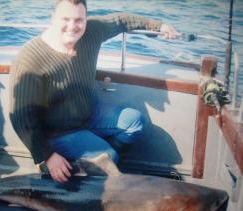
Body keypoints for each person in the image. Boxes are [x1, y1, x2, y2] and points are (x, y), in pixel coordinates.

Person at [9, 0, 177, 183]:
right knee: (111, 156)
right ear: (53, 19)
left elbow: (121, 20)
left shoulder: (92, 31)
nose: (72, 27)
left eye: (79, 20)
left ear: (86, 19)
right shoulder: (29, 59)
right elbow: (20, 117)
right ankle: (57, 167)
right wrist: (47, 155)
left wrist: (159, 25)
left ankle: (88, 166)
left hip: (90, 113)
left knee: (134, 122)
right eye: (65, 19)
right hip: (56, 133)